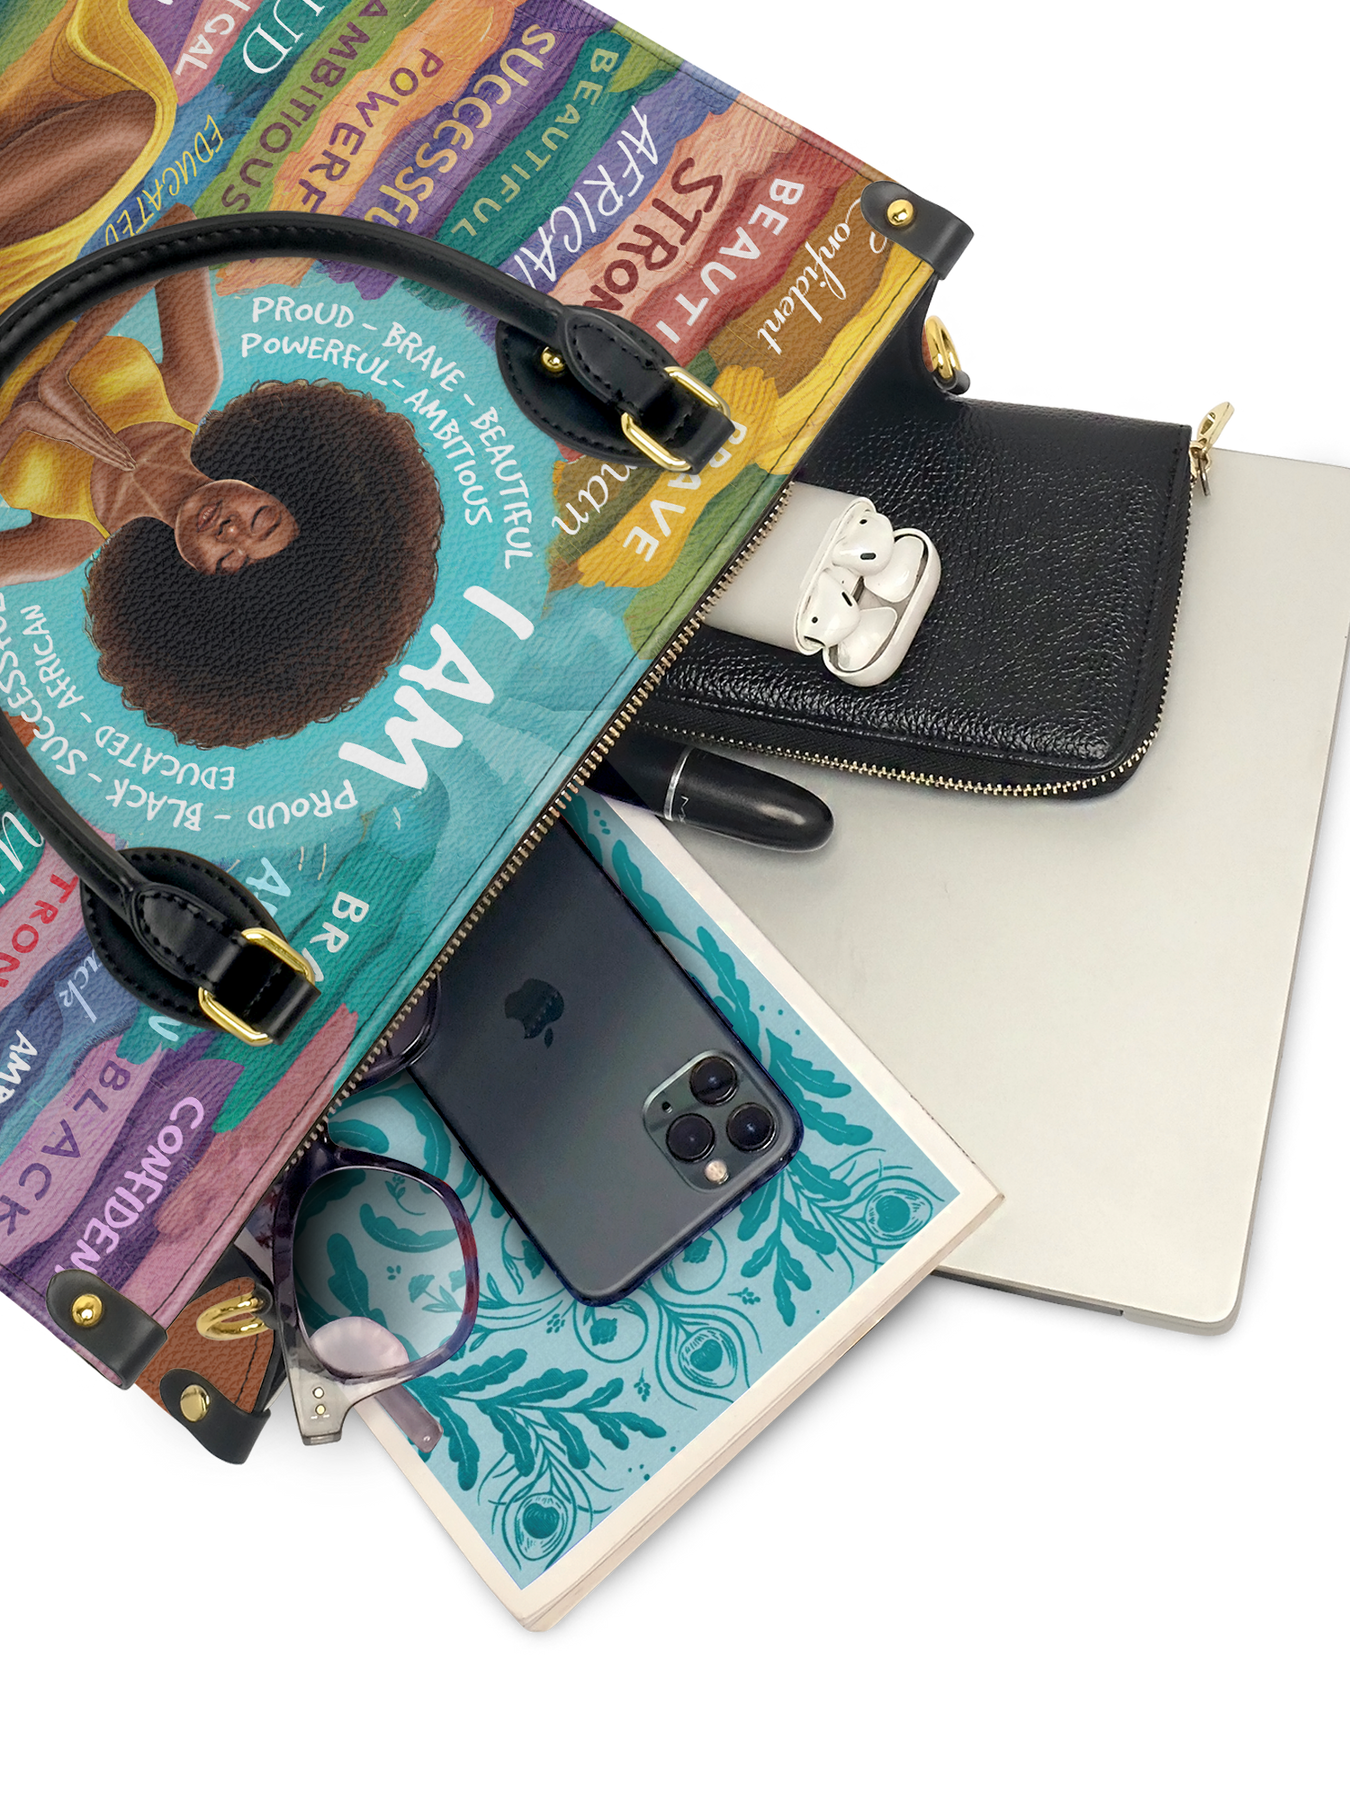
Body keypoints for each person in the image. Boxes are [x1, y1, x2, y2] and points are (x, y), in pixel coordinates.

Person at [0, 205, 445, 750]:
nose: (231, 531)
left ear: (191, 584)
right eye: (263, 520)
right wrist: (63, 362)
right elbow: (177, 232)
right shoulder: (192, 384)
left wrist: (17, 424)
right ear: (274, 482)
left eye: (230, 562)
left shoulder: (64, 543)